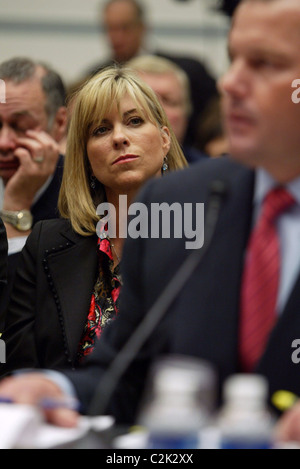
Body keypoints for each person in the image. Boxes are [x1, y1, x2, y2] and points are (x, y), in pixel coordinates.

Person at [1, 0, 300, 444]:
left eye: (264, 62)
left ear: (165, 138)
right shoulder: (193, 200)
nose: (229, 81)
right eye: (233, 57)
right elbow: (126, 375)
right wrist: (57, 388)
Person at [0, 65, 187, 377]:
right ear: (84, 156)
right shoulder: (46, 243)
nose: (119, 137)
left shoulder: (204, 235)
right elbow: (20, 366)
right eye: (100, 130)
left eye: (134, 121)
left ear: (165, 139)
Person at [84, 0, 218, 148]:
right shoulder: (95, 78)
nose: (117, 37)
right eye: (110, 29)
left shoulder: (190, 70)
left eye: (125, 27)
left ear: (142, 27)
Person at [0, 57, 68, 329]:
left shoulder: (85, 197)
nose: (4, 142)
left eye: (21, 126)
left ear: (59, 123)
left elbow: (19, 320)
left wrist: (17, 204)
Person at [127, 54, 208, 164]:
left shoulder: (208, 174)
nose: (158, 111)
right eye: (146, 101)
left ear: (186, 114)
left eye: (168, 101)